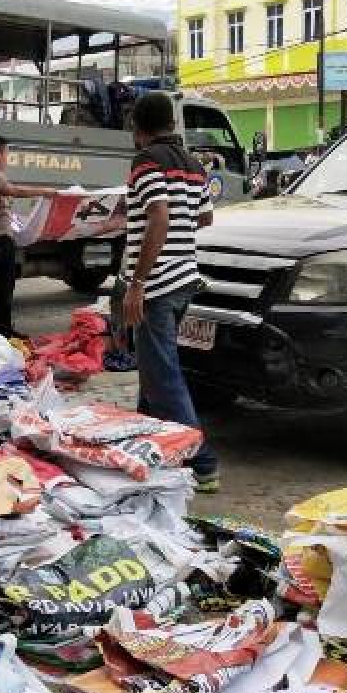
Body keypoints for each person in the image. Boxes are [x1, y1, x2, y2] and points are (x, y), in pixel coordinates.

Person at [120, 92, 220, 492]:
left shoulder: (146, 160)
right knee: (153, 369)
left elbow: (158, 215)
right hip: (184, 279)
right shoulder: (194, 165)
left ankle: (204, 462)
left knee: (163, 375)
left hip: (157, 285)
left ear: (139, 129)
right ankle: (146, 441)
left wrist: (138, 283)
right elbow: (205, 216)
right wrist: (177, 238)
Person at [0, 134, 56, 338]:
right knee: (4, 287)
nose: (7, 159)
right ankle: (4, 333)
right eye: (7, 154)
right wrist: (44, 192)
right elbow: (12, 190)